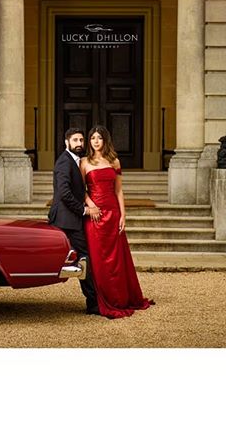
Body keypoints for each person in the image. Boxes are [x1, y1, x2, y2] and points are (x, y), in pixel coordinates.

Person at [80, 124, 154, 319]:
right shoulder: (84, 162)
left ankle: (120, 298)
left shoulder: (114, 161)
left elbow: (119, 190)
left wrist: (123, 215)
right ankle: (101, 299)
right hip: (95, 216)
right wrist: (91, 205)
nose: (96, 141)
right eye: (93, 138)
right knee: (98, 260)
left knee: (117, 259)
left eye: (99, 138)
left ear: (106, 140)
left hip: (113, 213)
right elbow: (81, 190)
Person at [48, 127, 101, 315]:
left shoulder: (74, 161)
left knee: (84, 259)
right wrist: (85, 210)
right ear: (66, 143)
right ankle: (93, 304)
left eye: (81, 140)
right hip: (67, 221)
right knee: (85, 258)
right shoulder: (65, 162)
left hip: (70, 219)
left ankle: (94, 301)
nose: (79, 144)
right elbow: (64, 193)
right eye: (75, 140)